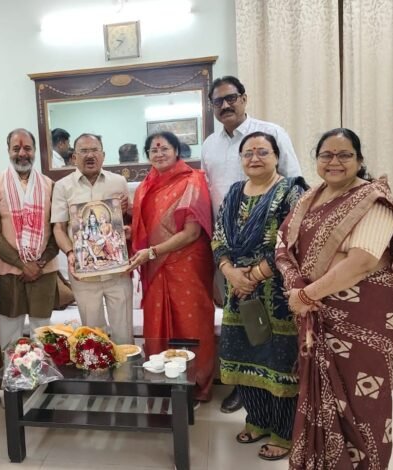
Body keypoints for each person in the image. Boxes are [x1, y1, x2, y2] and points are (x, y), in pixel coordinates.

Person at [275, 128, 393, 469]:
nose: (334, 162)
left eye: (344, 155)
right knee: (318, 395)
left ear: (359, 160)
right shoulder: (309, 199)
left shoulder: (373, 200)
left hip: (360, 320)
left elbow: (361, 262)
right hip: (316, 314)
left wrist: (305, 294)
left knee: (361, 402)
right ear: (316, 160)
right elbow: (283, 244)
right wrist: (300, 289)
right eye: (326, 155)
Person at [201, 75, 302, 413]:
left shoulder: (271, 132)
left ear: (244, 98)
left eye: (231, 98)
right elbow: (211, 198)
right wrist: (229, 268)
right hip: (231, 257)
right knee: (241, 331)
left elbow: (296, 190)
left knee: (275, 336)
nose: (225, 105)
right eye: (218, 101)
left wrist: (261, 269)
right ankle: (246, 394)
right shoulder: (210, 145)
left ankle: (281, 409)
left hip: (273, 259)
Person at [211, 131, 308, 460]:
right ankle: (257, 419)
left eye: (262, 152)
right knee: (243, 354)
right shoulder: (234, 192)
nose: (254, 158)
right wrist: (230, 272)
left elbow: (294, 241)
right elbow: (218, 236)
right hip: (238, 292)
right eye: (248, 153)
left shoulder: (292, 192)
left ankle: (283, 431)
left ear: (277, 156)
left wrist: (253, 275)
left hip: (277, 294)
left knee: (277, 360)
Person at [128, 131, 215, 403]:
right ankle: (162, 383)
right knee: (157, 323)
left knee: (191, 322)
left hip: (187, 265)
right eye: (153, 150)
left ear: (177, 151)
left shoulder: (193, 180)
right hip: (155, 266)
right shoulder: (144, 187)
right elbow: (144, 229)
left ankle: (196, 385)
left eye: (164, 148)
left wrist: (153, 251)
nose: (159, 154)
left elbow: (192, 233)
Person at [52, 133, 133, 345]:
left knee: (124, 333)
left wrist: (126, 219)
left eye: (95, 150)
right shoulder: (62, 186)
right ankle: (99, 367)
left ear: (103, 155)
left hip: (117, 271)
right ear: (74, 157)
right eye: (84, 151)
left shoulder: (119, 182)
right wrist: (70, 252)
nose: (90, 155)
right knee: (93, 337)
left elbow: (131, 221)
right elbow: (58, 228)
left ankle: (126, 366)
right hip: (84, 274)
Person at [0, 128, 60, 348]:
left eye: (27, 148)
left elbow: (58, 229)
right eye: (16, 148)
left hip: (43, 270)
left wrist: (39, 263)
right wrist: (21, 264)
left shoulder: (50, 185)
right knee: (9, 332)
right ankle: (12, 371)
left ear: (35, 150)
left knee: (42, 333)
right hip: (8, 271)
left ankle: (42, 372)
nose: (22, 153)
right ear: (8, 151)